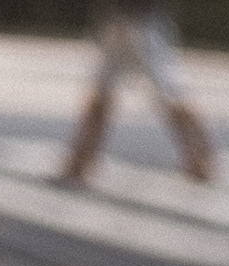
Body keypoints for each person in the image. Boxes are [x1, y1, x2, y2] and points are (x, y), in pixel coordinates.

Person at [60, 3, 214, 188]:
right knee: (103, 89)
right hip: (119, 20)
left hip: (142, 20)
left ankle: (201, 155)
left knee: (170, 92)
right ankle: (80, 159)